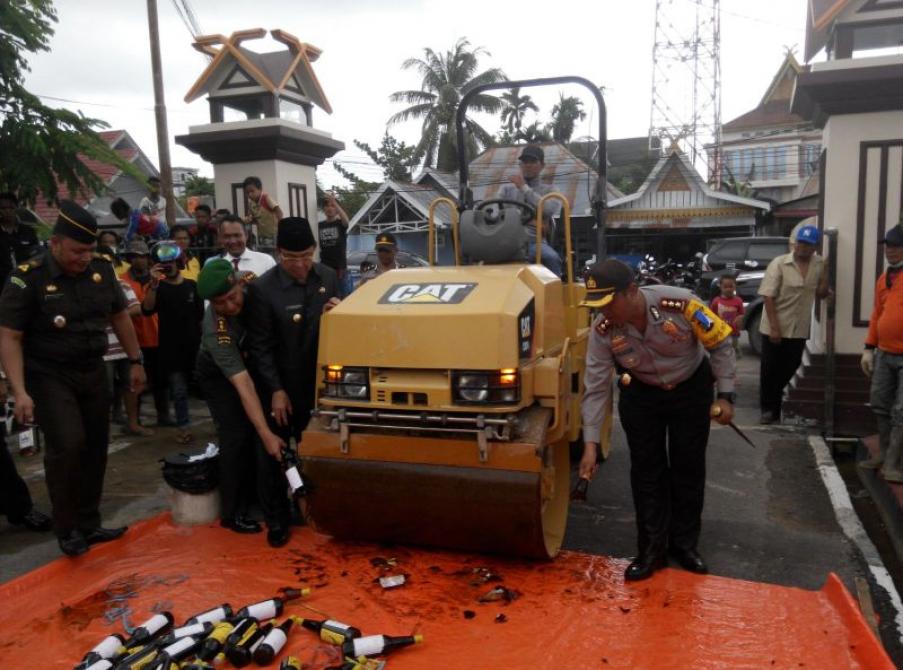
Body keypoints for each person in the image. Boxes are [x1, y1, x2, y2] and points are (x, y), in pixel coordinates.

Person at [0, 200, 146, 556]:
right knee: (67, 444)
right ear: (55, 243)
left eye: (90, 250)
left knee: (95, 446)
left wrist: (135, 360)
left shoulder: (101, 270)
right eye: (77, 251)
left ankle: (89, 523)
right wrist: (19, 391)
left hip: (93, 369)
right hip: (48, 374)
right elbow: (9, 337)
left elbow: (120, 316)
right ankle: (67, 529)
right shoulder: (28, 277)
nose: (85, 257)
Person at [579, 259, 736, 581]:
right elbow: (595, 388)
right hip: (641, 393)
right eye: (597, 305)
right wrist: (590, 443)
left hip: (690, 389)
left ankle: (685, 545)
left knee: (687, 467)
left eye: (608, 302)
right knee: (646, 472)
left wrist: (725, 395)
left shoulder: (682, 304)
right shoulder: (603, 330)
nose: (603, 311)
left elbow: (721, 344)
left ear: (631, 291)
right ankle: (651, 550)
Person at [246, 218, 340, 544]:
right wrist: (275, 390)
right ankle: (277, 519)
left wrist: (339, 311)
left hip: (318, 383)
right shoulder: (263, 289)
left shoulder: (327, 277)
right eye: (291, 258)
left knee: (316, 448)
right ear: (278, 253)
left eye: (306, 256)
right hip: (281, 383)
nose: (300, 265)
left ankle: (316, 509)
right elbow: (260, 347)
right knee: (277, 454)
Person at [195, 259, 287, 541]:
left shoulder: (251, 279)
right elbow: (242, 384)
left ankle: (262, 500)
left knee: (260, 430)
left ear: (238, 283)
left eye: (232, 297)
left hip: (250, 359)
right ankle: (232, 512)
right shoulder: (217, 330)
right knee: (235, 434)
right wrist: (266, 434)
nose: (229, 306)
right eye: (220, 303)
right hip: (218, 374)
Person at [757, 224, 830, 424]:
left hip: (799, 328)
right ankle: (767, 409)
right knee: (770, 370)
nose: (802, 247)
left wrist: (826, 275)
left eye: (808, 244)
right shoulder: (779, 263)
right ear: (795, 243)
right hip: (775, 325)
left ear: (815, 247)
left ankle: (781, 406)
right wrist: (774, 328)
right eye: (800, 243)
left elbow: (821, 294)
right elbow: (768, 296)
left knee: (790, 368)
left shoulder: (819, 264)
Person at [143, 241, 203, 445]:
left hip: (196, 347)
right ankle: (184, 428)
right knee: (179, 392)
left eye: (171, 262)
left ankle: (220, 425)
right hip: (171, 350)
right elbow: (147, 309)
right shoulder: (157, 288)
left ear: (179, 262)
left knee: (209, 387)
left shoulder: (192, 286)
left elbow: (201, 317)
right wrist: (153, 284)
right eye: (164, 263)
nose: (168, 266)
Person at [861, 222, 903, 482]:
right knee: (880, 403)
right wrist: (868, 348)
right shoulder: (884, 278)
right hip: (884, 353)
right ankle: (885, 454)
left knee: (901, 410)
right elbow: (877, 313)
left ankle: (894, 464)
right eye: (888, 246)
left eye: (896, 246)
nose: (891, 250)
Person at [120, 239, 170, 433]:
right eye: (134, 256)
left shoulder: (159, 278)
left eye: (142, 256)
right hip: (135, 340)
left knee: (161, 380)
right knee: (136, 383)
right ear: (128, 258)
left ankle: (164, 416)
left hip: (159, 336)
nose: (139, 260)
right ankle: (135, 420)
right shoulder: (121, 280)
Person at [497, 144, 563, 276]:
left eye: (533, 161)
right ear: (520, 165)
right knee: (483, 257)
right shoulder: (506, 190)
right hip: (507, 242)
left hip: (534, 242)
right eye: (525, 162)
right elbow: (495, 212)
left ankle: (554, 288)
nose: (528, 165)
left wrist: (524, 188)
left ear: (542, 165)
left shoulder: (551, 190)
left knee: (551, 258)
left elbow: (548, 209)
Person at [98, 244, 141, 426]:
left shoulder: (121, 284)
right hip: (103, 349)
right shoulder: (88, 287)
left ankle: (133, 423)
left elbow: (136, 308)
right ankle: (103, 426)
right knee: (104, 391)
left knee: (131, 386)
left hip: (125, 347)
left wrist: (116, 316)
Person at [207, 215, 276, 279]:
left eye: (237, 235)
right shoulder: (215, 268)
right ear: (221, 238)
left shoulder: (266, 262)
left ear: (246, 235)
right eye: (227, 236)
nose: (233, 241)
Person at [0, 191, 41, 287]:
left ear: (16, 208)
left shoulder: (28, 232)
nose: (7, 211)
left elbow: (37, 257)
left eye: (11, 208)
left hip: (25, 282)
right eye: (3, 208)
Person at [318, 192, 352, 297]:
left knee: (342, 296)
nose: (329, 208)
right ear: (323, 209)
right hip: (324, 266)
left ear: (336, 209)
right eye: (327, 206)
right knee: (326, 295)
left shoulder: (340, 224)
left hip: (339, 268)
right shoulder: (319, 225)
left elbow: (346, 221)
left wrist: (334, 202)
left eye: (332, 206)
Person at [242, 176, 283, 249]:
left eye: (252, 191)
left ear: (260, 189)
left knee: (273, 252)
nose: (250, 194)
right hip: (262, 235)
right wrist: (248, 220)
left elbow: (279, 212)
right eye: (247, 193)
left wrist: (281, 229)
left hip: (274, 234)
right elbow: (253, 219)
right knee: (263, 252)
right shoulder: (251, 204)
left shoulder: (266, 198)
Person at [710, 274, 744, 357]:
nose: (728, 289)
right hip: (721, 333)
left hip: (734, 332)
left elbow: (742, 315)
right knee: (722, 352)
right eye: (725, 287)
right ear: (720, 287)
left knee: (733, 350)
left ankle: (736, 354)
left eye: (731, 286)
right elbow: (711, 316)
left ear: (735, 286)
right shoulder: (716, 301)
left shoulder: (738, 301)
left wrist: (740, 322)